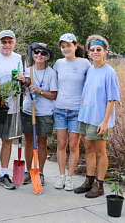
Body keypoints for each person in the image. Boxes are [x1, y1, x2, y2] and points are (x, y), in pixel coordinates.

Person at [74, 35, 119, 198]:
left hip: (99, 119)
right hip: (86, 116)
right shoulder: (90, 70)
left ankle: (99, 185)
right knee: (88, 149)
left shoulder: (110, 72)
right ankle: (89, 181)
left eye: (98, 49)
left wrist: (105, 122)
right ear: (88, 52)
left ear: (105, 51)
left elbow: (111, 99)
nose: (95, 52)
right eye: (92, 49)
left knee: (100, 151)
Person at [0, 30, 29, 190]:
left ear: (14, 43)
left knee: (8, 141)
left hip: (13, 106)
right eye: (4, 42)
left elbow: (26, 82)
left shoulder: (20, 59)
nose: (7, 45)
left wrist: (25, 80)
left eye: (10, 42)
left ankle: (4, 174)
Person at [53, 33, 90, 191]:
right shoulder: (58, 64)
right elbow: (53, 85)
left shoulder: (85, 63)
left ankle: (70, 177)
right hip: (60, 109)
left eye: (69, 45)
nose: (66, 48)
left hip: (77, 112)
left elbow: (89, 87)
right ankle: (61, 176)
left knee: (74, 146)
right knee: (61, 144)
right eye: (63, 46)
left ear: (75, 46)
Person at [22, 43, 58, 186]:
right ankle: (28, 170)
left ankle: (40, 172)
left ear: (47, 57)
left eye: (43, 53)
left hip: (44, 113)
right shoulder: (27, 71)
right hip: (29, 111)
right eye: (36, 52)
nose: (39, 55)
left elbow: (54, 95)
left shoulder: (51, 73)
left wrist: (39, 91)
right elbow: (21, 86)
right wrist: (23, 82)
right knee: (28, 142)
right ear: (32, 54)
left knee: (42, 143)